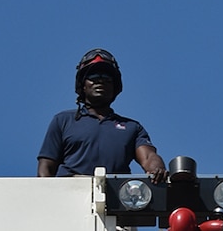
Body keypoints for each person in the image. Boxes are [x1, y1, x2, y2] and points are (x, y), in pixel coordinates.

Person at [38, 51, 166, 181]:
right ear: (83, 86)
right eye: (93, 77)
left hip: (116, 195)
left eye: (106, 78)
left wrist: (157, 168)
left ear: (114, 87)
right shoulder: (63, 120)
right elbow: (46, 167)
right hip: (69, 190)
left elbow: (149, 157)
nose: (100, 81)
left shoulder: (132, 128)